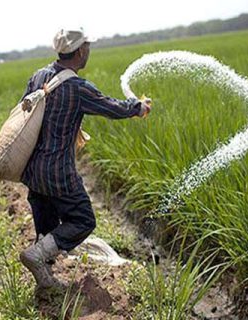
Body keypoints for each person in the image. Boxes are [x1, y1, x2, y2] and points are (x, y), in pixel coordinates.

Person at [19, 28, 151, 288]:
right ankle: (37, 255)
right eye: (87, 47)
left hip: (33, 171)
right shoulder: (77, 87)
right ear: (80, 51)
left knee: (46, 226)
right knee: (82, 220)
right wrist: (139, 107)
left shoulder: (38, 77)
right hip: (58, 172)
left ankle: (43, 279)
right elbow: (111, 107)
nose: (88, 50)